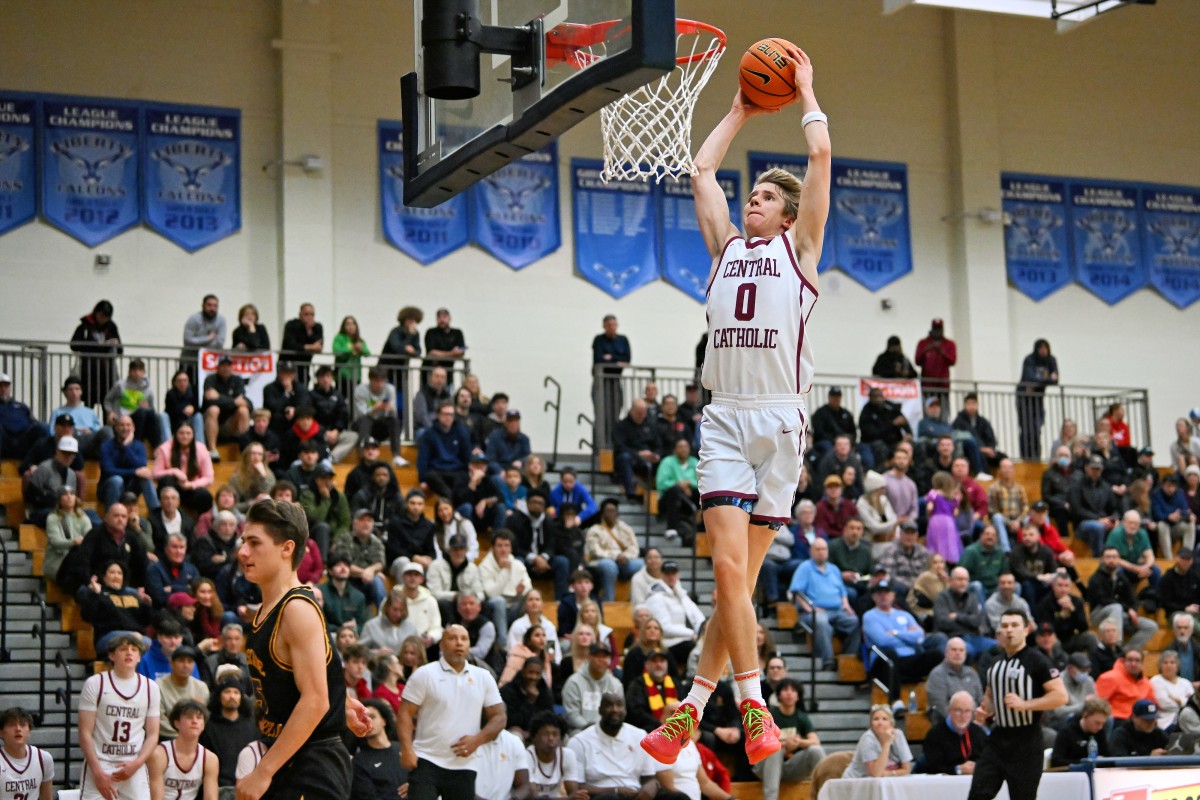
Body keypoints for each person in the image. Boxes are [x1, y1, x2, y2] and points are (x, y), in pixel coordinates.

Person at [237, 499, 370, 800]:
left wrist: (262, 772)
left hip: (313, 763)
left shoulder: (296, 608)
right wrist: (343, 703)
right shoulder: (270, 609)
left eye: (254, 543)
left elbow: (314, 701)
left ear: (286, 548)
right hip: (290, 755)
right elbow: (309, 673)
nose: (243, 551)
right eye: (244, 541)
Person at [967, 609, 1067, 800]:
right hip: (998, 738)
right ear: (999, 632)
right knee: (978, 794)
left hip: (1026, 740)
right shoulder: (995, 663)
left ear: (1026, 630)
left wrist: (1026, 705)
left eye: (1014, 626)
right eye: (1004, 626)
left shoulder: (1037, 660)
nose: (1009, 630)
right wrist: (984, 710)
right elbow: (990, 695)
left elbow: (1060, 696)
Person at [397, 625, 505, 800]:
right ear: (441, 645)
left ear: (469, 644)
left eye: (464, 639)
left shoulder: (484, 677)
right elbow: (405, 713)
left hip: (464, 764)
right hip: (426, 760)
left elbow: (500, 717)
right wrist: (407, 748)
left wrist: (478, 740)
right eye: (453, 638)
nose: (459, 643)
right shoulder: (424, 674)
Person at [79, 632, 161, 800]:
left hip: (133, 765)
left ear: (139, 657)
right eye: (123, 649)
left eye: (134, 649)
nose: (129, 652)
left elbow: (153, 735)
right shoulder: (96, 683)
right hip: (101, 763)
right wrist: (97, 772)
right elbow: (84, 732)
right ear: (111, 655)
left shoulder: (150, 687)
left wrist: (136, 764)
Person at [788, 538, 860, 672]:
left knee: (853, 621)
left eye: (824, 549)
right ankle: (828, 661)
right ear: (811, 551)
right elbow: (797, 593)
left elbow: (843, 592)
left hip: (836, 611)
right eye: (818, 549)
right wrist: (811, 609)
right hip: (811, 612)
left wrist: (846, 605)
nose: (821, 552)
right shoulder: (805, 567)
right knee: (821, 621)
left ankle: (846, 660)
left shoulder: (834, 569)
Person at [752, 678, 824, 799]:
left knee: (816, 750)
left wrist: (798, 742)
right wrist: (785, 743)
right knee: (776, 749)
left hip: (789, 767)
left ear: (798, 696)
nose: (789, 693)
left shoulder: (801, 717)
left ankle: (825, 794)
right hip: (765, 767)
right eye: (785, 689)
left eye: (793, 690)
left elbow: (815, 741)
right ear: (779, 694)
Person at [1086, 547, 1157, 652]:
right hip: (1099, 614)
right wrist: (1127, 609)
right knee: (1116, 607)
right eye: (1108, 557)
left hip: (1120, 615)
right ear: (1101, 560)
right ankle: (1116, 645)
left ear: (1119, 560)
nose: (1111, 560)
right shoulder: (1096, 578)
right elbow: (1104, 600)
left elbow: (1132, 599)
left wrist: (1132, 610)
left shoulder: (1121, 577)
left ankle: (1125, 652)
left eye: (1114, 557)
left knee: (1151, 626)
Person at [148, 699, 218, 800]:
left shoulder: (210, 759)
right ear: (176, 723)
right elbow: (156, 798)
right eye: (189, 717)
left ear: (203, 725)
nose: (194, 721)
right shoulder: (159, 754)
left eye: (199, 718)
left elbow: (211, 797)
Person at [350, 699, 408, 800]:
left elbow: (422, 777)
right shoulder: (359, 762)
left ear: (384, 721)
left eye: (372, 716)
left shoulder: (403, 748)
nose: (368, 721)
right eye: (363, 719)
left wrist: (415, 786)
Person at [562, 641, 623, 734]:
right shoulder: (573, 682)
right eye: (597, 656)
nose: (601, 660)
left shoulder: (615, 684)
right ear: (588, 658)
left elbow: (619, 712)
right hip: (580, 731)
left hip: (608, 730)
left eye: (605, 657)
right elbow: (572, 714)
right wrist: (592, 730)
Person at [924, 690, 987, 775]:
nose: (963, 715)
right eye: (958, 710)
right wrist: (958, 769)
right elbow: (932, 767)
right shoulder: (934, 735)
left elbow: (988, 760)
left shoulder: (978, 733)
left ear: (972, 713)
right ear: (949, 711)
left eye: (967, 711)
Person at [0, 706, 55, 800]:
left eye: (22, 724)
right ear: (1, 733)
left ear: (29, 731)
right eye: (12, 724)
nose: (18, 729)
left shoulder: (43, 758)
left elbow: (47, 798)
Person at [842, 704, 912, 778]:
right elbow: (876, 773)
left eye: (884, 719)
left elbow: (907, 769)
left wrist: (887, 773)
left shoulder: (898, 735)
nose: (880, 723)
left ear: (891, 724)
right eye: (876, 719)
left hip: (884, 780)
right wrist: (886, 743)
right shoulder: (867, 738)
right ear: (871, 724)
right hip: (855, 780)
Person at [201, 356, 251, 458]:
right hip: (211, 422)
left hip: (230, 423)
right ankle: (212, 449)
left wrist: (219, 397)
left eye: (228, 365)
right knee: (213, 409)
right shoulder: (210, 380)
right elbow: (209, 401)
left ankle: (246, 449)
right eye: (223, 365)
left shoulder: (237, 380)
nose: (226, 368)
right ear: (218, 367)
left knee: (243, 410)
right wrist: (233, 401)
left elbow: (244, 402)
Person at [525, 711, 583, 799]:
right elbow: (533, 797)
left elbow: (573, 793)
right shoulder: (527, 756)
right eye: (545, 734)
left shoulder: (567, 755)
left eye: (555, 734)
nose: (551, 738)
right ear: (534, 737)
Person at [926, 638, 984, 722]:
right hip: (947, 725)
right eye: (954, 650)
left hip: (974, 723)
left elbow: (980, 701)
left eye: (961, 650)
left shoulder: (972, 673)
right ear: (946, 652)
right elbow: (940, 708)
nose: (957, 653)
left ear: (965, 654)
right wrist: (964, 722)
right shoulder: (937, 675)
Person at [1049, 696, 1112, 767]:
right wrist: (1085, 763)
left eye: (1103, 723)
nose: (1100, 727)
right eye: (1097, 723)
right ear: (1085, 715)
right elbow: (1056, 761)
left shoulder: (1100, 732)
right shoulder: (1066, 732)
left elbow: (1109, 759)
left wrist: (1102, 761)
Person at [1095, 650, 1154, 721]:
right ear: (1123, 662)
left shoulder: (1146, 683)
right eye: (1130, 660)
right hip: (1116, 720)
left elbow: (1152, 704)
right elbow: (1096, 704)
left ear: (1142, 664)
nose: (1133, 664)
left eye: (1137, 661)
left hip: (1140, 721)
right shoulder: (1110, 678)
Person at [280, 303, 323, 384]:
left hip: (304, 367)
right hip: (288, 364)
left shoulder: (317, 327)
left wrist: (309, 331)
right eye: (306, 314)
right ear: (300, 314)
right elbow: (291, 344)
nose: (309, 317)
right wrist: (309, 347)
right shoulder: (291, 325)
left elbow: (319, 347)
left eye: (312, 315)